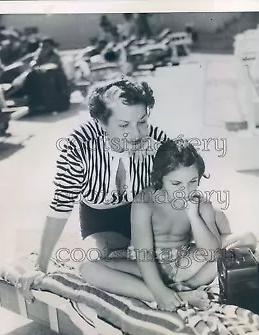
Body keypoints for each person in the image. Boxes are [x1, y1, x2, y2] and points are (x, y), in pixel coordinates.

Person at [17, 78, 168, 299]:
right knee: (87, 262)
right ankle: (159, 295)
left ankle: (159, 282)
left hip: (148, 218)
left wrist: (166, 159)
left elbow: (184, 185)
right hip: (102, 223)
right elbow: (61, 203)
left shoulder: (156, 139)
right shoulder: (79, 145)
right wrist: (40, 265)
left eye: (142, 121)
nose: (136, 133)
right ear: (101, 122)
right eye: (124, 125)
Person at [79, 139, 258, 311]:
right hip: (146, 266)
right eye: (176, 183)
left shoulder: (201, 204)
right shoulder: (145, 202)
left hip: (185, 264)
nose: (185, 191)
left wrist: (193, 216)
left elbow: (211, 252)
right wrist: (159, 291)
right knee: (88, 268)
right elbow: (144, 255)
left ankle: (187, 286)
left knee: (248, 239)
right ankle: (169, 295)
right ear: (160, 179)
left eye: (192, 182)